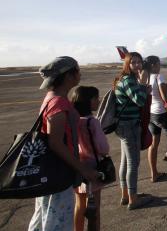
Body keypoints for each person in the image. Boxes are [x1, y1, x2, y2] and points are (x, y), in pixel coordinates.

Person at [29, 56, 99, 231]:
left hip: (52, 170)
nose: (80, 74)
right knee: (57, 222)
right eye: (77, 70)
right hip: (57, 172)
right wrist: (83, 169)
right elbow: (56, 143)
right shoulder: (58, 103)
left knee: (45, 216)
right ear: (68, 76)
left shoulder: (53, 97)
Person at [113, 52, 152, 210]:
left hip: (124, 125)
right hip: (129, 125)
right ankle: (133, 199)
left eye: (139, 62)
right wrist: (143, 85)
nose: (137, 65)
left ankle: (125, 195)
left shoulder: (126, 79)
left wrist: (143, 87)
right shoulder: (129, 80)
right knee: (133, 163)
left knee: (125, 162)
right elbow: (140, 100)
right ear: (127, 64)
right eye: (133, 62)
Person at [71, 86, 109, 231]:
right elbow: (103, 148)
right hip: (93, 167)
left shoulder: (74, 120)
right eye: (95, 98)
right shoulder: (92, 122)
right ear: (88, 101)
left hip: (77, 166)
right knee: (94, 208)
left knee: (80, 205)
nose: (98, 101)